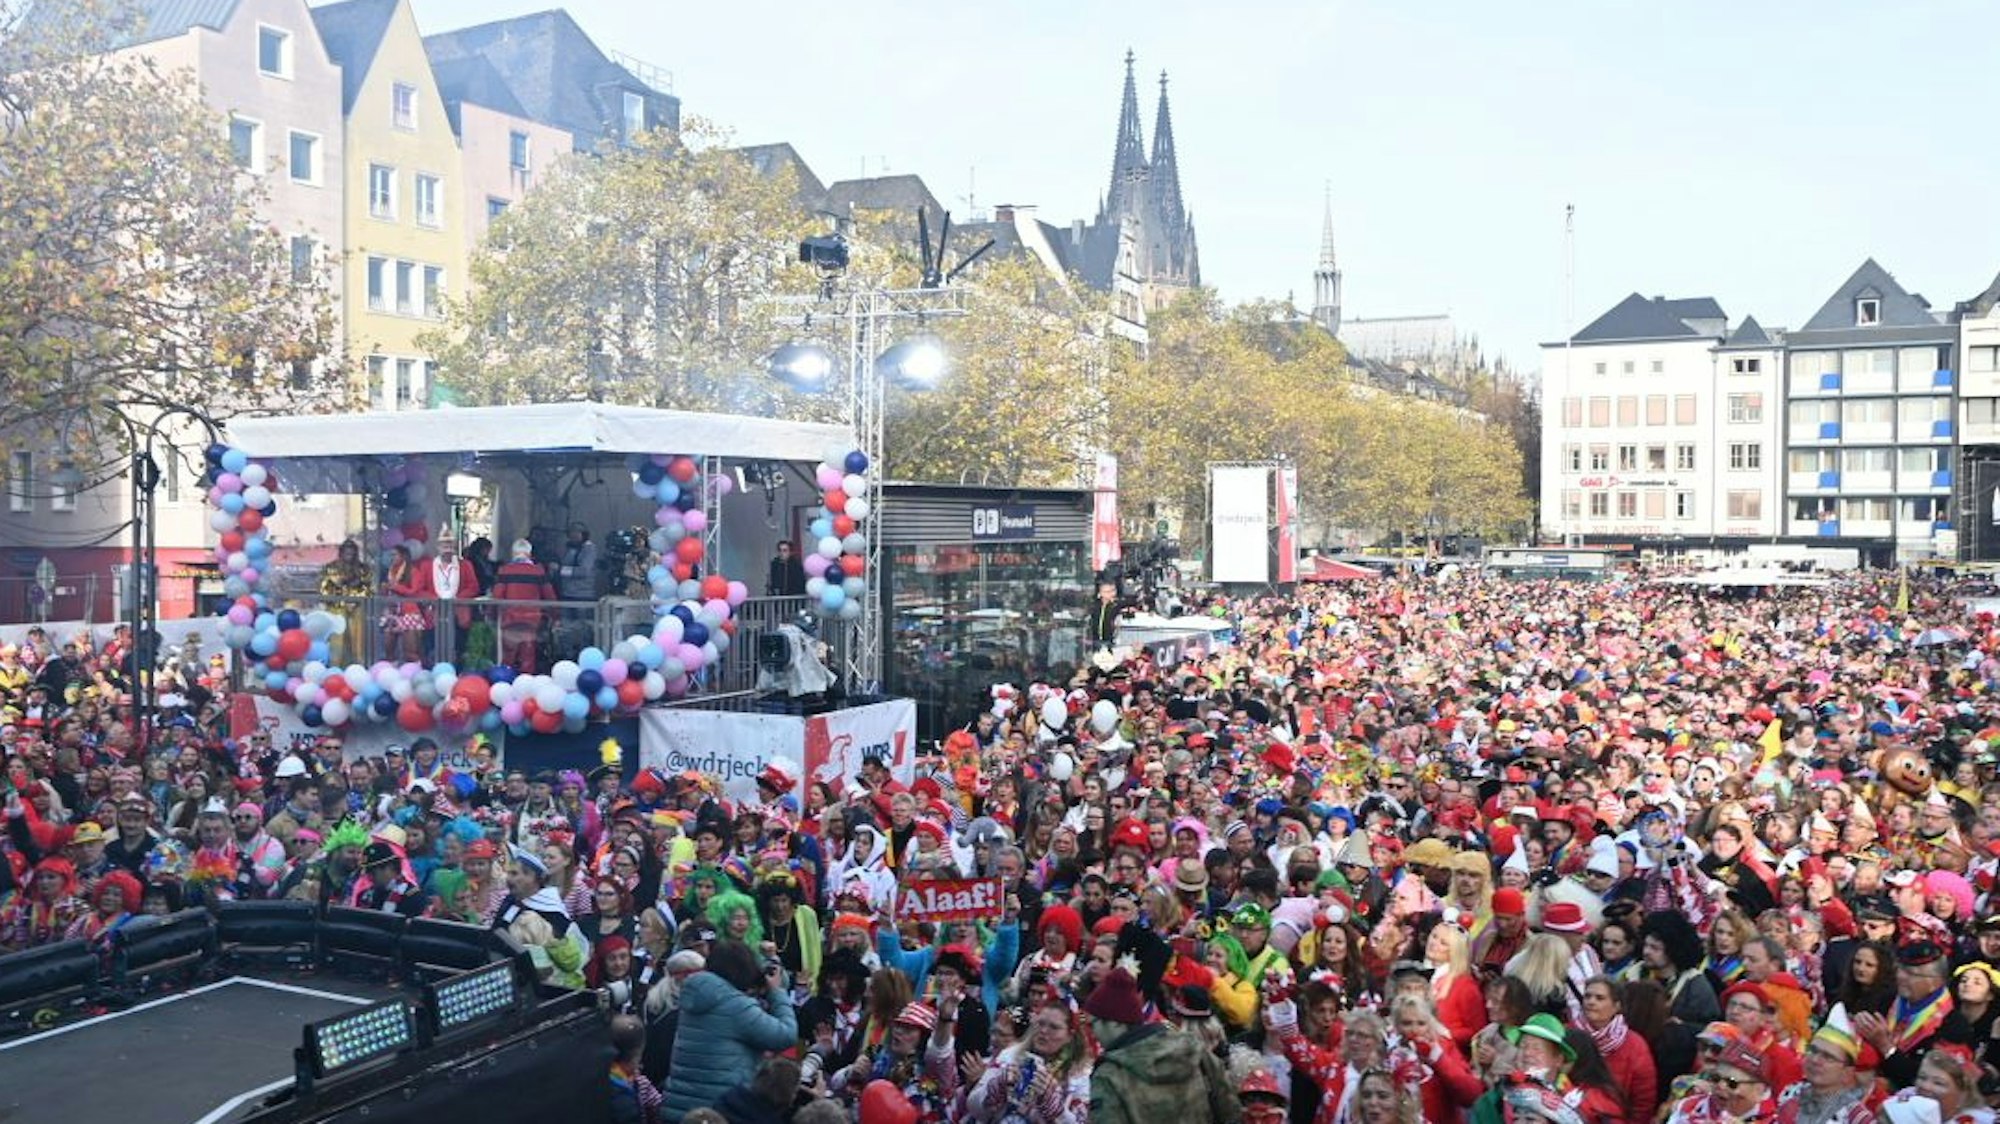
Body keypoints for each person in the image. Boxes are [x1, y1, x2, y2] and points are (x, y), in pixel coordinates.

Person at [658, 938, 798, 1122]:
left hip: (678, 1110)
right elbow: (786, 1034)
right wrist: (777, 992)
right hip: (720, 1111)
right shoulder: (736, 1006)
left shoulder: (696, 994)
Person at [1084, 967, 1241, 1124]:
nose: (1092, 1033)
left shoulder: (1110, 1074)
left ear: (1115, 1023)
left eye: (1093, 1024)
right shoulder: (1194, 1050)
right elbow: (1231, 1111)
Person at [491, 540, 558, 672]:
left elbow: (497, 596)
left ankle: (506, 683)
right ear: (529, 554)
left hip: (510, 619)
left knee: (509, 655)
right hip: (532, 619)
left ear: (513, 553)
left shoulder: (505, 570)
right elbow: (549, 596)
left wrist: (492, 615)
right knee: (528, 657)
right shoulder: (538, 571)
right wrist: (555, 615)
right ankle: (526, 684)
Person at [318, 540, 373, 664]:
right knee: (337, 637)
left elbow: (369, 588)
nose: (349, 554)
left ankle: (359, 665)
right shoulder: (330, 568)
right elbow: (323, 589)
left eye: (352, 552)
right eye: (346, 552)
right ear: (341, 552)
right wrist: (337, 600)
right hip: (336, 608)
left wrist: (355, 601)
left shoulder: (363, 569)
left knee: (357, 639)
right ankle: (335, 666)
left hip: (356, 607)